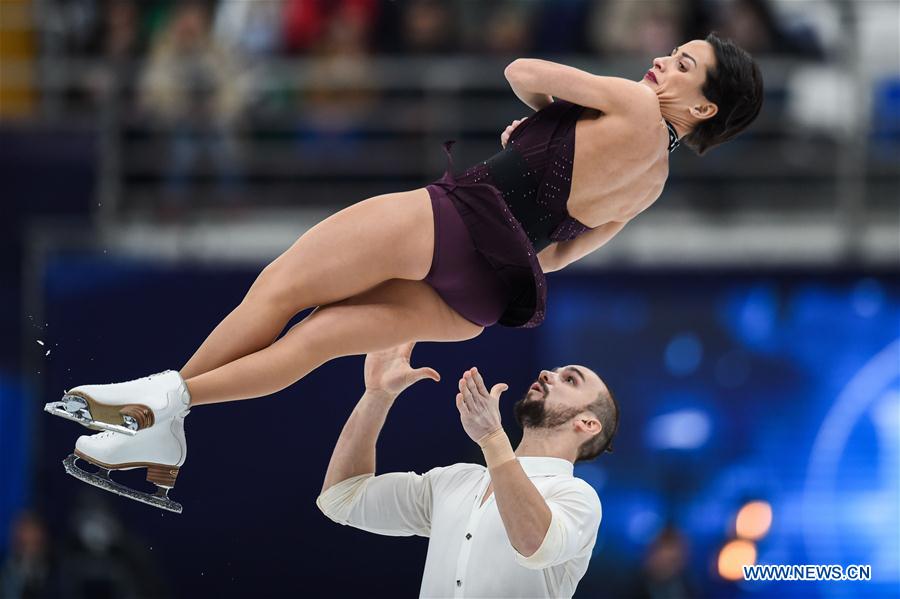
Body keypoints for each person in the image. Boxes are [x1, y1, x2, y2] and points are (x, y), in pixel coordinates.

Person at [45, 33, 762, 510]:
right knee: (318, 339)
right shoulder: (653, 184)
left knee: (282, 286)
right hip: (483, 295)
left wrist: (547, 118)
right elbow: (562, 252)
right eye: (673, 52)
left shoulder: (634, 100)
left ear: (701, 107)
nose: (662, 63)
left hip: (454, 220)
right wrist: (543, 150)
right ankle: (167, 423)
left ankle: (158, 410)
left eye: (684, 65)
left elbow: (523, 73)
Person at [316, 342, 619, 598]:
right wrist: (377, 396)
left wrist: (492, 439)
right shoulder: (456, 480)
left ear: (588, 424)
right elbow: (342, 499)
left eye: (569, 380)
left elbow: (533, 544)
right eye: (555, 371)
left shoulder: (578, 497)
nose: (547, 374)